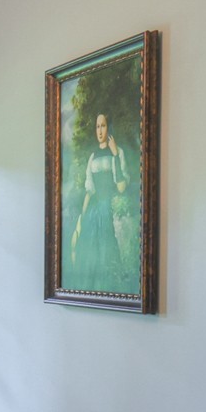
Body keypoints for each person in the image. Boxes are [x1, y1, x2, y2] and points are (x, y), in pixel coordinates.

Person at [70, 112, 127, 286]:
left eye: (103, 126)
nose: (100, 130)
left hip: (108, 206)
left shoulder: (118, 153)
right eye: (97, 126)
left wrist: (115, 153)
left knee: (106, 250)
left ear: (109, 128)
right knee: (87, 252)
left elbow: (121, 187)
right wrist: (82, 217)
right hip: (93, 210)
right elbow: (90, 191)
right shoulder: (92, 157)